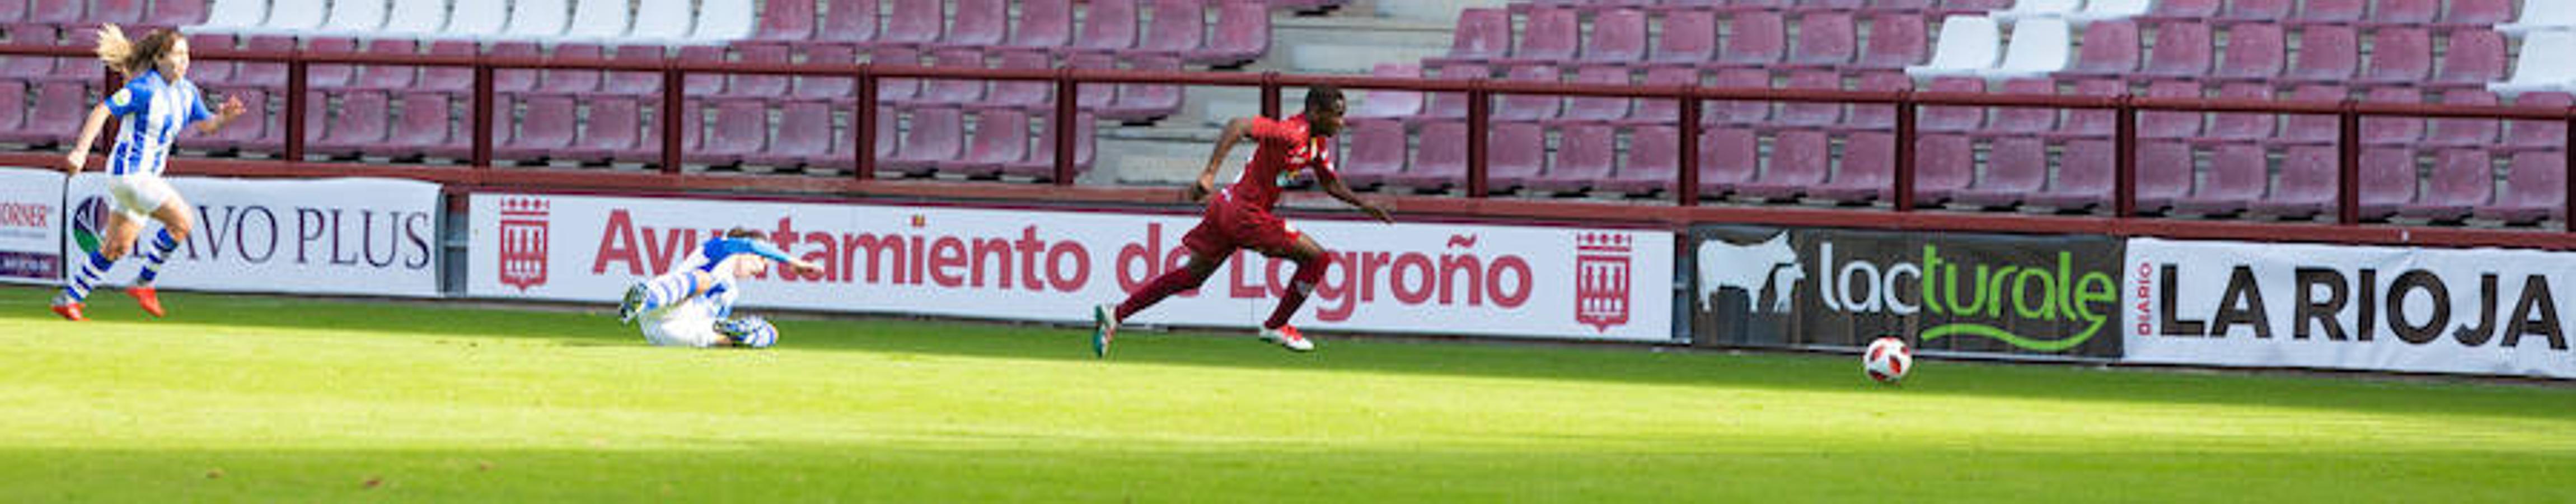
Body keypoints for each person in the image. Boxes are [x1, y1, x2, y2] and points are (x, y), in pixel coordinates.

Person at [1089, 85, 1392, 358]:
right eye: (1336, 116)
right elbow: (1238, 126)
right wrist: (1209, 173)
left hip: (1226, 208)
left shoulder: (1316, 143)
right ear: (1315, 112)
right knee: (1319, 260)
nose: (1341, 122)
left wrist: (1363, 204)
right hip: (1246, 214)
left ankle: (1116, 313)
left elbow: (1330, 184)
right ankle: (1277, 325)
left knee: (1191, 277)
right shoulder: (1292, 132)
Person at [51, 25, 247, 321]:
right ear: (158, 58)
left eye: (186, 55)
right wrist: (80, 152)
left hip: (140, 181)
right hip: (130, 175)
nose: (183, 61)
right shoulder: (144, 89)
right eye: (177, 55)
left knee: (117, 247)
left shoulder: (186, 91)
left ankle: (71, 297)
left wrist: (223, 118)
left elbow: (206, 126)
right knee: (183, 223)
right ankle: (143, 283)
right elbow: (103, 110)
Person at [617, 228, 825, 348]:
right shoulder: (717, 250)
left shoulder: (732, 292)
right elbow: (751, 245)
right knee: (703, 280)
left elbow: (714, 324)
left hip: (673, 333)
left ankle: (746, 337)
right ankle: (644, 296)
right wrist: (793, 261)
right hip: (664, 307)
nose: (761, 269)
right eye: (762, 260)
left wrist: (739, 335)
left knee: (770, 332)